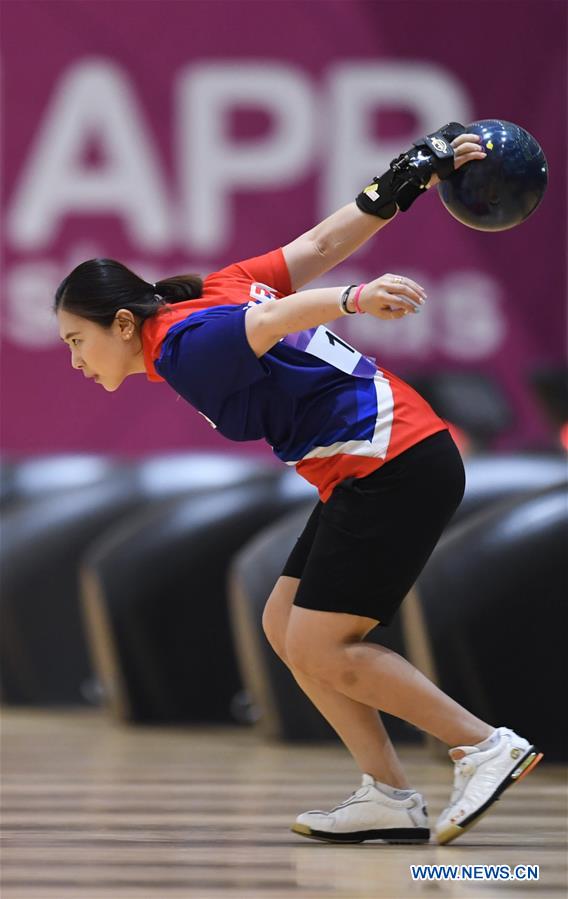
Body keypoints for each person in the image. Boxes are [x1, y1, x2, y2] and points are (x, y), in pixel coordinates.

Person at [55, 124, 542, 846]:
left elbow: (274, 315)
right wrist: (410, 175)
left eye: (76, 341)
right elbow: (316, 247)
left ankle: (481, 745)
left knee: (321, 643)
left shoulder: (184, 347)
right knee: (285, 626)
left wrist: (351, 300)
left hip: (394, 464)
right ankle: (389, 795)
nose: (75, 360)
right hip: (369, 468)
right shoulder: (207, 297)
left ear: (122, 324)